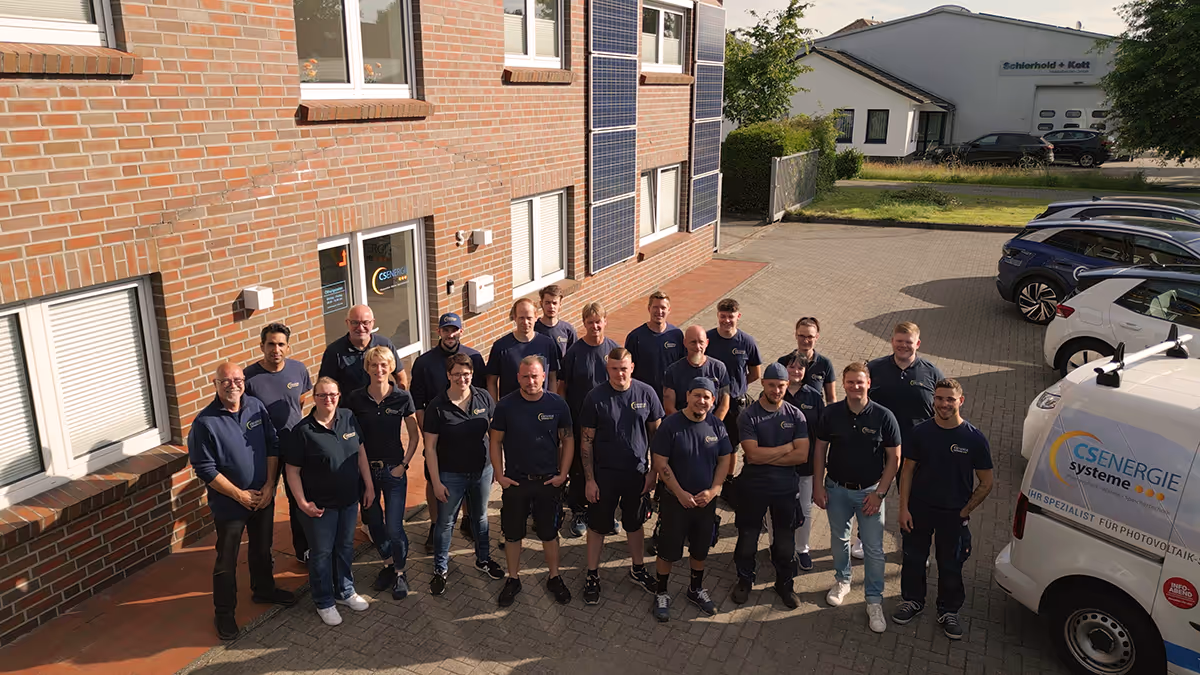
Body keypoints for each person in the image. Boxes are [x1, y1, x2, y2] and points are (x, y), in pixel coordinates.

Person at [188, 362, 296, 640]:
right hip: (230, 505)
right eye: (225, 380)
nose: (232, 385)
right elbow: (205, 469)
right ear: (215, 384)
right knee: (227, 559)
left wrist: (270, 485)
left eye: (237, 380)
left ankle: (264, 590)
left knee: (262, 548)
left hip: (262, 497)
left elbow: (272, 444)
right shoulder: (204, 423)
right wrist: (239, 494)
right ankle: (224, 613)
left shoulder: (255, 407)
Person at [893, 379, 993, 640]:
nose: (944, 404)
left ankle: (949, 611)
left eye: (950, 399)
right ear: (933, 400)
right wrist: (903, 508)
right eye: (939, 398)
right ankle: (912, 600)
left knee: (951, 564)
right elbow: (907, 471)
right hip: (919, 509)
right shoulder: (920, 432)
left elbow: (987, 482)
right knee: (914, 559)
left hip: (953, 514)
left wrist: (965, 510)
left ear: (961, 401)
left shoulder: (974, 438)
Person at [813, 362, 901, 634]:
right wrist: (818, 486)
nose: (855, 386)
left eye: (859, 382)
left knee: (873, 549)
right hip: (836, 489)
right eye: (850, 382)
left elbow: (894, 458)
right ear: (843, 384)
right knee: (839, 540)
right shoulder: (831, 414)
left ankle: (873, 600)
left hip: (869, 493)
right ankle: (842, 580)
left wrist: (880, 493)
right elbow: (820, 450)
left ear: (868, 383)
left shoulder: (884, 416)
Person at [285, 377, 375, 626]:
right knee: (322, 553)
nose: (329, 399)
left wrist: (368, 485)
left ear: (339, 395)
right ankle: (324, 601)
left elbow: (360, 452)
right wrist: (302, 503)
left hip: (349, 500)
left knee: (344, 546)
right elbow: (292, 471)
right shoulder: (303, 431)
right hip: (319, 506)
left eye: (333, 394)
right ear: (314, 398)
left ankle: (344, 591)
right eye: (322, 395)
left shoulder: (348, 417)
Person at [579, 348, 665, 604]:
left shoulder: (646, 393)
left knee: (634, 524)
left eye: (624, 368)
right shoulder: (595, 397)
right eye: (614, 369)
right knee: (597, 526)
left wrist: (653, 473)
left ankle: (637, 569)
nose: (619, 374)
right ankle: (592, 574)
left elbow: (657, 437)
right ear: (608, 369)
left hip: (637, 475)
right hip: (604, 476)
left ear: (632, 367)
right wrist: (589, 480)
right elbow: (586, 442)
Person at [489, 356, 574, 607]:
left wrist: (563, 474)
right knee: (512, 534)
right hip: (516, 482)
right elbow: (495, 441)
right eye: (525, 376)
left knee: (549, 533)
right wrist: (499, 475)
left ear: (544, 376)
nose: (530, 381)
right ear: (518, 378)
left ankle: (554, 577)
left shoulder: (557, 404)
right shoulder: (505, 406)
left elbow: (568, 439)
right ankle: (513, 579)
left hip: (548, 482)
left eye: (535, 376)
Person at [650, 377, 733, 622]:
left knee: (700, 548)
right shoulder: (671, 425)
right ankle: (661, 592)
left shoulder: (717, 426)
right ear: (687, 396)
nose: (701, 401)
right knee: (667, 550)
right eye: (697, 395)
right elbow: (660, 463)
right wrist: (679, 493)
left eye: (706, 397)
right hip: (674, 502)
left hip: (705, 503)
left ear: (713, 400)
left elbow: (725, 460)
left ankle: (695, 589)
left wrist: (714, 490)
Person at [731, 363, 809, 609]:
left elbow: (802, 455)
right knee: (747, 538)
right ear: (763, 383)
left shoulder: (796, 415)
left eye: (781, 386)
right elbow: (752, 455)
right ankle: (745, 579)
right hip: (753, 488)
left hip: (785, 490)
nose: (776, 390)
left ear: (788, 385)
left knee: (785, 543)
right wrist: (787, 448)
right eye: (772, 385)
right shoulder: (748, 415)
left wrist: (767, 455)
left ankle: (784, 584)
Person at [425, 354, 505, 594]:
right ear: (448, 375)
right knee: (445, 522)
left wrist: (497, 466)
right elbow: (430, 448)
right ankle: (440, 569)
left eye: (466, 374)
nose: (462, 378)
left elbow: (495, 436)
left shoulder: (483, 397)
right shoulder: (437, 406)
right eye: (457, 374)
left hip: (481, 471)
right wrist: (436, 482)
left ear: (472, 374)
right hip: (450, 475)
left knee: (480, 518)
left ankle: (483, 560)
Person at [344, 346, 419, 600]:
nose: (379, 369)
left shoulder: (402, 397)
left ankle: (400, 572)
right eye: (374, 365)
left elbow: (414, 435)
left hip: (394, 472)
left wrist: (403, 465)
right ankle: (388, 564)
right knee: (374, 523)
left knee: (394, 527)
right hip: (365, 472)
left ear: (391, 368)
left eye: (384, 365)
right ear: (367, 368)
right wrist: (364, 478)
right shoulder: (355, 399)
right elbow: (353, 438)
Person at [410, 312, 487, 552]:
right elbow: (418, 403)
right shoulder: (424, 362)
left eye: (454, 330)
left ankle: (467, 519)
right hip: (437, 433)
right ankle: (435, 525)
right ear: (439, 332)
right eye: (446, 330)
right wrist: (427, 433)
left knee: (469, 477)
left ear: (461, 331)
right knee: (434, 479)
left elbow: (481, 395)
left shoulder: (474, 358)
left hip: (468, 431)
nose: (450, 334)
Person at [243, 322, 312, 562]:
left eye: (281, 344)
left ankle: (304, 551)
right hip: (263, 451)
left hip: (294, 446)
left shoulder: (298, 369)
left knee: (298, 499)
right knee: (264, 501)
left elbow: (299, 402)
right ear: (262, 346)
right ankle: (264, 555)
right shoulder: (249, 378)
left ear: (288, 347)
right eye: (271, 344)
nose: (276, 349)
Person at [558, 302, 619, 537]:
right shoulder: (575, 352)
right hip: (579, 421)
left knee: (605, 466)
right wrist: (564, 420)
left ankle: (604, 510)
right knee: (580, 467)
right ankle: (579, 511)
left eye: (598, 321)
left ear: (605, 321)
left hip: (607, 422)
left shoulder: (613, 350)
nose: (595, 326)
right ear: (584, 323)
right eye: (590, 322)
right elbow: (563, 387)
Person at [783, 353, 825, 572]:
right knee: (778, 508)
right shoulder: (775, 392)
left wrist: (820, 466)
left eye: (800, 368)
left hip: (806, 465)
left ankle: (802, 549)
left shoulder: (814, 396)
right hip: (779, 464)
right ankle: (778, 546)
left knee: (805, 509)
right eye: (791, 367)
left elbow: (821, 434)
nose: (795, 372)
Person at [868, 321, 945, 443]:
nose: (903, 345)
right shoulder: (873, 369)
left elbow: (944, 408)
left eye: (909, 342)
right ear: (892, 341)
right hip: (879, 442)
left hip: (918, 444)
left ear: (918, 344)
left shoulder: (932, 373)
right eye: (899, 341)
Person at [705, 298, 762, 452]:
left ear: (738, 316)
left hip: (736, 404)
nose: (726, 320)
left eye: (731, 316)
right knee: (708, 440)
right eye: (723, 316)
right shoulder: (707, 339)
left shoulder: (747, 342)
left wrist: (737, 386)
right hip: (710, 401)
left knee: (732, 445)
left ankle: (730, 469)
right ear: (717, 315)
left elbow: (755, 373)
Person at [319, 304, 408, 394]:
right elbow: (324, 387)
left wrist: (399, 398)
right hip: (351, 403)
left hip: (382, 402)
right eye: (355, 323)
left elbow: (400, 376)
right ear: (347, 322)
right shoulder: (334, 352)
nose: (360, 328)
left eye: (365, 323)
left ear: (372, 322)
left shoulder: (384, 344)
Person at [488, 298, 560, 401]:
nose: (525, 322)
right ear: (514, 318)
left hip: (542, 406)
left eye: (529, 318)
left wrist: (552, 402)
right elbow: (491, 381)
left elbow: (552, 377)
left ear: (536, 317)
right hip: (512, 407)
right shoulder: (501, 347)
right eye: (521, 318)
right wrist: (494, 406)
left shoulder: (547, 344)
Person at [623, 291, 685, 402]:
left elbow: (682, 365)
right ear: (649, 309)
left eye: (663, 308)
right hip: (644, 397)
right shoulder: (635, 337)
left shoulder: (676, 335)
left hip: (670, 398)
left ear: (669, 310)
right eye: (655, 307)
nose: (659, 311)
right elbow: (627, 369)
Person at [662, 326, 730, 419]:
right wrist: (683, 424)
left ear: (707, 343)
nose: (697, 347)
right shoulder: (672, 371)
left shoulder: (719, 368)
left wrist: (713, 424)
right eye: (693, 342)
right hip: (682, 424)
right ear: (685, 343)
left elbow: (724, 404)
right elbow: (669, 407)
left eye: (701, 342)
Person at [776, 317, 836, 404]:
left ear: (817, 337)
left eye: (810, 337)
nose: (805, 340)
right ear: (796, 335)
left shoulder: (825, 363)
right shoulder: (783, 362)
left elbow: (831, 399)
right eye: (801, 336)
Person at [534, 284, 577, 359]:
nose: (551, 307)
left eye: (554, 303)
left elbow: (574, 356)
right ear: (541, 304)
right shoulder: (534, 329)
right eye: (547, 303)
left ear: (560, 305)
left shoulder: (568, 330)